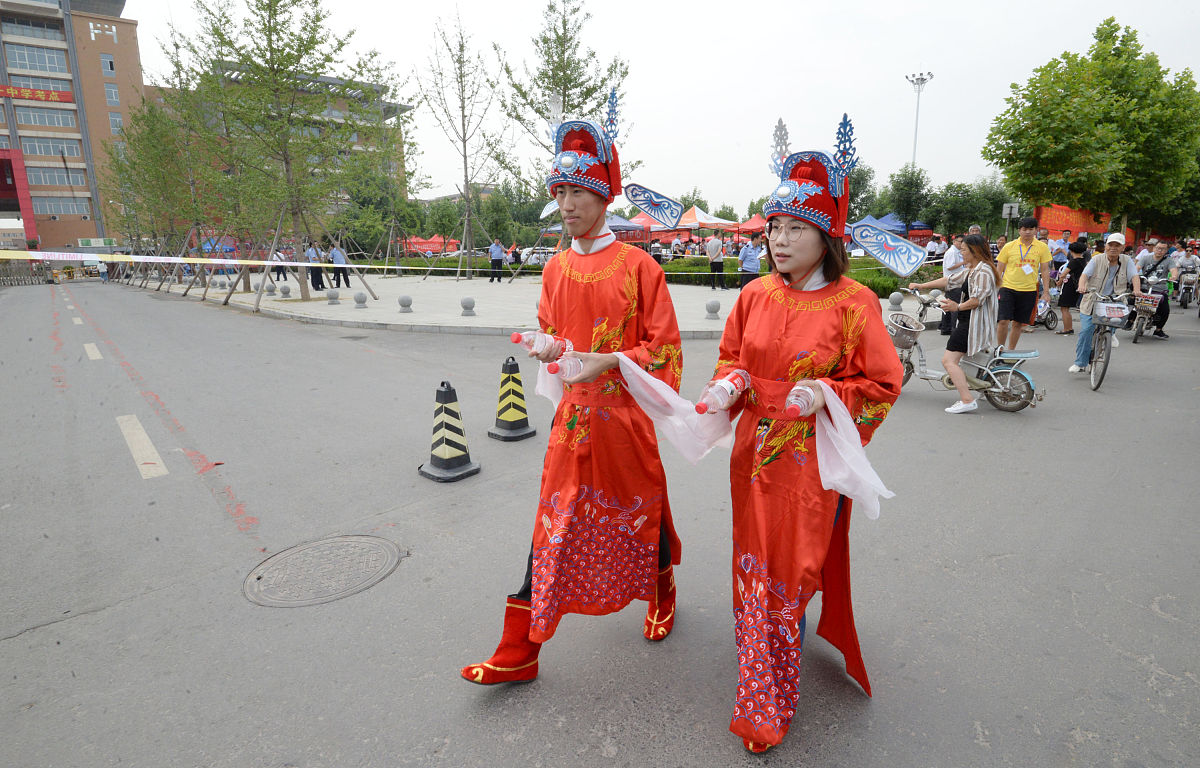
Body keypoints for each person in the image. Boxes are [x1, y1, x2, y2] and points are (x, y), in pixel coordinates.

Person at [461, 119, 684, 687]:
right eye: (559, 193)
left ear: (603, 196)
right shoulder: (555, 266)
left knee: (640, 511)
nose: (566, 204)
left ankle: (661, 586)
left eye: (577, 192)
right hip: (572, 421)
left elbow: (664, 351)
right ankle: (521, 648)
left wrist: (609, 360)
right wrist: (550, 347)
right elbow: (554, 334)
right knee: (553, 525)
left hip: (624, 419)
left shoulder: (640, 267)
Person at [706, 133, 902, 753]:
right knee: (754, 564)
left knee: (790, 569)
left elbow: (882, 382)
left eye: (794, 226)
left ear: (826, 236)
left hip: (809, 462)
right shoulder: (754, 294)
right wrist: (730, 383)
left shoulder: (854, 304)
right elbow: (731, 359)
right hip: (751, 459)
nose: (779, 238)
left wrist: (826, 395)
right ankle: (757, 681)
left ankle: (770, 694)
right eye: (774, 226)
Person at [909, 234, 999, 413]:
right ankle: (979, 389)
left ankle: (967, 400)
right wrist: (921, 285)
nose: (961, 252)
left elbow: (976, 300)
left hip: (972, 324)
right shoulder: (972, 269)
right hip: (967, 320)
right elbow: (949, 281)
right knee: (965, 360)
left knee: (948, 361)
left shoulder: (983, 272)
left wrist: (957, 306)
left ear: (974, 251)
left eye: (964, 250)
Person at [1069, 232, 1142, 373]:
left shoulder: (1127, 261)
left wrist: (1137, 290)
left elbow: (1134, 276)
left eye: (1117, 245)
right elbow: (1084, 275)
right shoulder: (1096, 259)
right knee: (1086, 331)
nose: (1113, 248)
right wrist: (1082, 286)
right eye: (1110, 244)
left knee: (1116, 320)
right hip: (1093, 300)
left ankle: (1111, 332)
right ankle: (1080, 363)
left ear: (1122, 247)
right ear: (1106, 246)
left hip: (1115, 300)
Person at [995, 216, 1051, 349]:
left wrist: (1046, 292)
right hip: (1007, 288)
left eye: (1031, 229)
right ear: (1019, 230)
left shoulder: (1042, 247)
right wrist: (996, 287)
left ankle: (1011, 351)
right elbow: (999, 269)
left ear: (1035, 230)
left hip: (1029, 290)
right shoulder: (1009, 246)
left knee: (1018, 323)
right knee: (1003, 321)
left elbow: (1044, 270)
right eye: (1024, 229)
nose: (1027, 232)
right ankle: (1000, 349)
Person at [1136, 240, 1174, 338]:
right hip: (1144, 287)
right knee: (1132, 299)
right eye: (1158, 248)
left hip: (1160, 289)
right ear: (1154, 248)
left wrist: (1173, 276)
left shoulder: (1169, 260)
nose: (1160, 250)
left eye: (1163, 249)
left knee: (1165, 308)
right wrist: (1134, 273)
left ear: (1166, 251)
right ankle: (1131, 320)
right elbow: (1137, 267)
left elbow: (1174, 270)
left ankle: (1158, 329)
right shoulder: (1145, 258)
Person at [1054, 240, 1088, 334]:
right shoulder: (1083, 261)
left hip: (1069, 286)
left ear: (1071, 251)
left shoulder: (1074, 261)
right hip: (1076, 286)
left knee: (1064, 308)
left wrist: (1059, 281)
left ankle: (1067, 329)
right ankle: (1069, 328)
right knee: (1066, 308)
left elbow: (1063, 274)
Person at [938, 234, 966, 335]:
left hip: (953, 283)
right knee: (954, 307)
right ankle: (953, 329)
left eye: (963, 241)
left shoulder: (957, 252)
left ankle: (946, 328)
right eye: (960, 241)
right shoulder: (952, 252)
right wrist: (964, 262)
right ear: (954, 242)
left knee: (948, 307)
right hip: (953, 283)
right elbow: (950, 267)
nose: (962, 243)